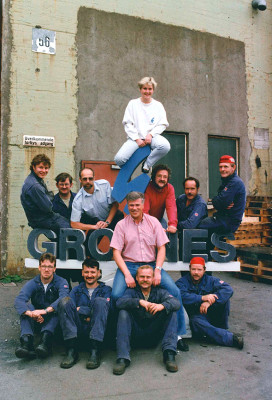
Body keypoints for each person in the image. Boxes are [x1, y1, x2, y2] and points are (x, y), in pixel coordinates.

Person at [110, 191, 187, 350]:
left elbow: (161, 247)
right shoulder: (121, 225)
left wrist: (158, 270)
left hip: (151, 265)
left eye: (137, 205)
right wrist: (126, 274)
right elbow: (116, 252)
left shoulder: (154, 222)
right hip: (129, 265)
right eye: (131, 205)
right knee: (116, 295)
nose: (134, 208)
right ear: (127, 206)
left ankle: (178, 335)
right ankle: (115, 334)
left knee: (174, 291)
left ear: (143, 205)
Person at [113, 265, 180, 375]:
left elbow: (176, 303)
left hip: (153, 334)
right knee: (123, 312)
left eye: (148, 277)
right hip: (135, 335)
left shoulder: (160, 291)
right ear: (137, 278)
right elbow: (119, 302)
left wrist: (162, 306)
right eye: (142, 277)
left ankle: (169, 355)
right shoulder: (131, 291)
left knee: (171, 311)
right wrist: (138, 302)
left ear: (153, 278)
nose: (145, 280)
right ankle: (122, 358)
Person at [175, 257, 244, 349]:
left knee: (224, 297)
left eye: (199, 269)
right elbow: (182, 296)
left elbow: (228, 289)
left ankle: (216, 331)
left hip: (214, 314)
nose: (196, 272)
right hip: (198, 317)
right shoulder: (181, 282)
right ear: (189, 269)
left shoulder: (211, 280)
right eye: (193, 269)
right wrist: (202, 298)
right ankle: (231, 339)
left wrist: (209, 302)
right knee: (195, 322)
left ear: (204, 270)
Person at [57, 258, 112, 369]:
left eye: (92, 272)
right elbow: (69, 309)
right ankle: (71, 350)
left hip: (98, 333)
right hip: (78, 331)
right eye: (86, 272)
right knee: (64, 302)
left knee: (101, 302)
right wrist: (92, 312)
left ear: (99, 273)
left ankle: (95, 351)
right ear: (82, 273)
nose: (89, 275)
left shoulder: (106, 290)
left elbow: (109, 309)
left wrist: (80, 310)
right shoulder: (76, 290)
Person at [14, 253, 69, 359]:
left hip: (54, 322)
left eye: (50, 267)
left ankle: (45, 343)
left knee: (59, 309)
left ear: (54, 269)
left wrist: (45, 311)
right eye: (44, 266)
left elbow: (64, 298)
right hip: (37, 319)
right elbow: (19, 300)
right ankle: (26, 343)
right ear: (39, 267)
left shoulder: (61, 282)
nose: (46, 269)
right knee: (27, 308)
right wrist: (31, 313)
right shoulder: (34, 282)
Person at [114, 77, 170, 173]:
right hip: (135, 139)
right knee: (119, 159)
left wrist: (151, 134)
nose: (147, 91)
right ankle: (129, 171)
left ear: (153, 90)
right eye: (145, 88)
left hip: (152, 138)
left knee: (165, 146)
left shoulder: (158, 105)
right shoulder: (133, 104)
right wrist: (137, 139)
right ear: (140, 89)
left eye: (150, 89)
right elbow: (127, 123)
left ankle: (147, 164)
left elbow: (163, 124)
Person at [21, 154, 71, 231]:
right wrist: (49, 197)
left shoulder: (36, 179)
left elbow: (48, 200)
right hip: (42, 220)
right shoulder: (35, 186)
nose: (44, 171)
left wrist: (48, 197)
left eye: (46, 168)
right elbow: (48, 207)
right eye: (41, 167)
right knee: (73, 231)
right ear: (33, 167)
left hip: (43, 218)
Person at [198, 155, 246, 233]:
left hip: (228, 222)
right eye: (220, 167)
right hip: (223, 219)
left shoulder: (234, 182)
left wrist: (214, 200)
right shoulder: (227, 181)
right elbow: (221, 203)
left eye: (225, 167)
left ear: (233, 168)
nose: (222, 169)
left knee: (198, 225)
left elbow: (220, 203)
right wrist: (218, 201)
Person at [70, 167, 123, 233]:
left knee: (122, 240)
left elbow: (115, 204)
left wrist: (107, 222)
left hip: (113, 217)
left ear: (94, 178)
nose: (88, 181)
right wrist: (94, 227)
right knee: (89, 243)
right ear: (80, 180)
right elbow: (74, 224)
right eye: (85, 179)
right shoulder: (78, 200)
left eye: (90, 178)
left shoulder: (104, 185)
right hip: (95, 223)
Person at [52, 172, 82, 287]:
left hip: (78, 244)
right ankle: (65, 301)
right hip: (61, 245)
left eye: (66, 184)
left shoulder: (78, 198)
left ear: (71, 184)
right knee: (63, 277)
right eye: (61, 184)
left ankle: (82, 300)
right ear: (57, 185)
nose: (64, 187)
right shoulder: (52, 202)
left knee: (81, 275)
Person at [143, 164, 177, 233]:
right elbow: (145, 211)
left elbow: (171, 207)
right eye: (159, 176)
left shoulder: (169, 188)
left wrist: (172, 224)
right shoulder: (147, 187)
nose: (162, 179)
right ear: (153, 177)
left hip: (159, 219)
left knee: (169, 234)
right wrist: (155, 227)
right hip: (144, 220)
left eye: (165, 177)